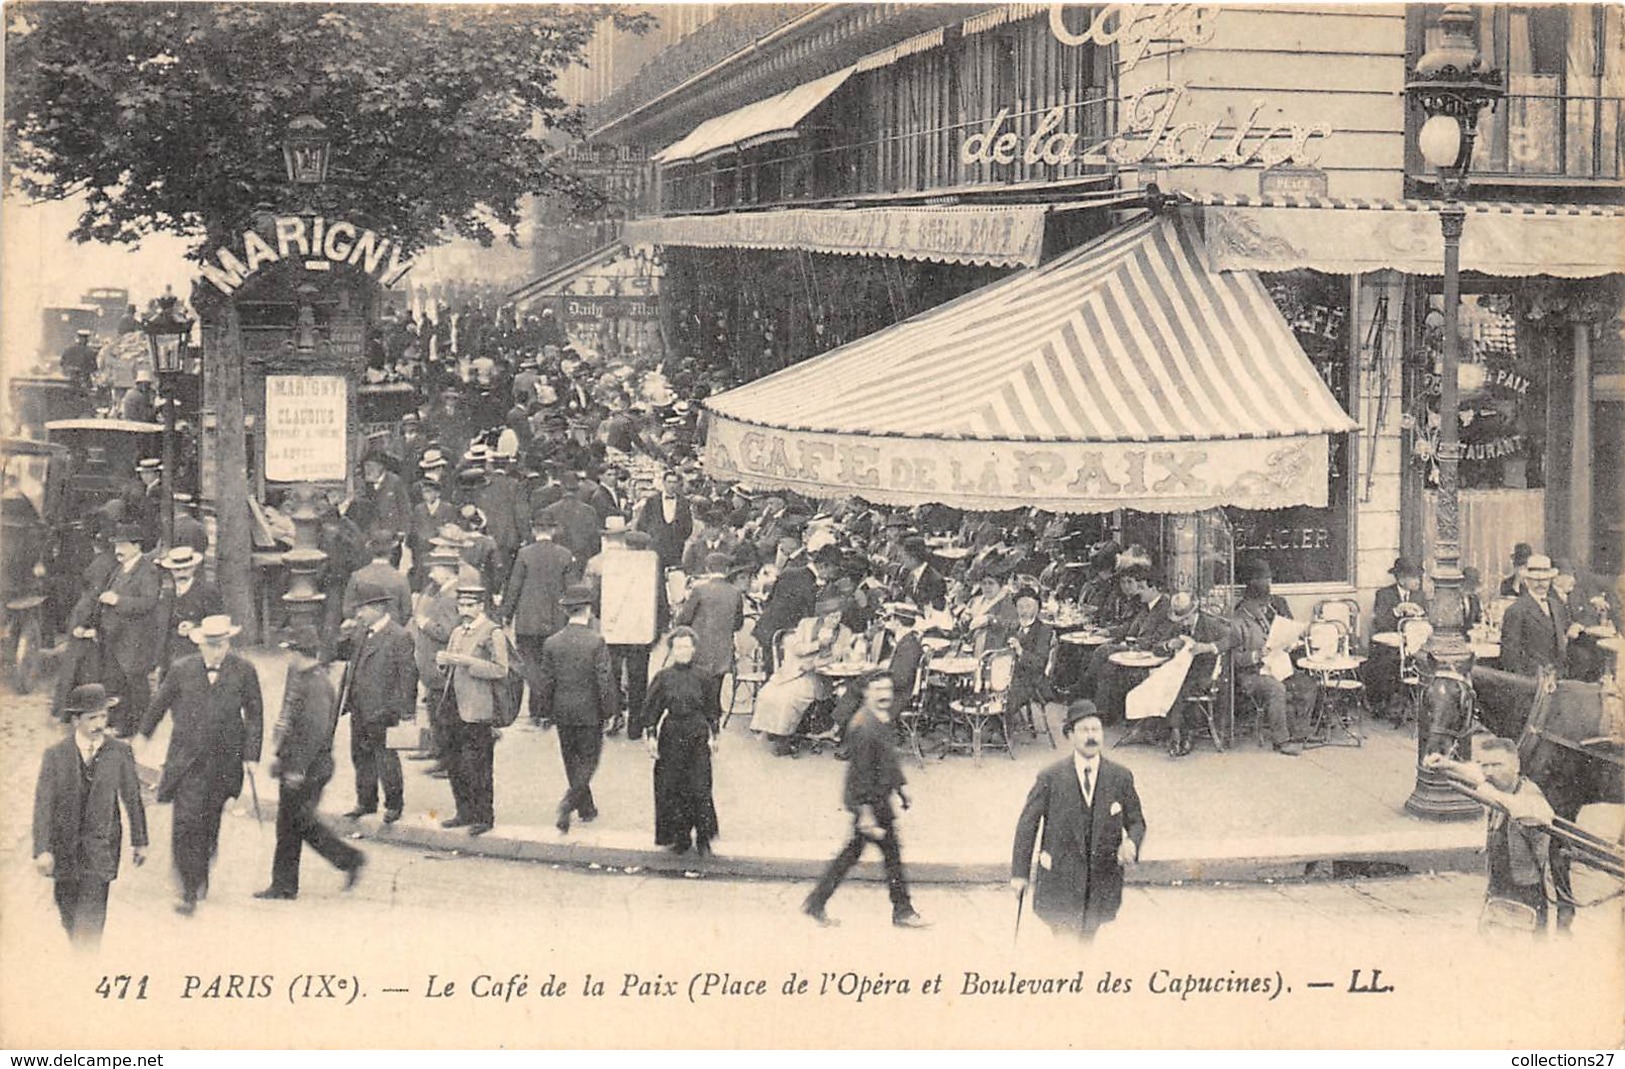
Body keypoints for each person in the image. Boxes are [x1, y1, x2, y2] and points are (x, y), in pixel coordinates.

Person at [141, 615, 263, 915]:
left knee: (208, 824)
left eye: (221, 645)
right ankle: (187, 891)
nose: (216, 652)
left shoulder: (244, 671)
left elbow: (255, 715)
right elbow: (159, 705)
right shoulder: (182, 670)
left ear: (228, 643)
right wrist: (143, 735)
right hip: (187, 761)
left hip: (224, 763)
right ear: (200, 644)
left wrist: (251, 755)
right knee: (185, 824)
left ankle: (200, 874)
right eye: (210, 646)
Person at [1010, 702, 1146, 940]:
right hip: (1060, 881)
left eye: (1096, 730)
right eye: (1084, 730)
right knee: (1064, 942)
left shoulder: (1120, 777)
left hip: (1100, 881)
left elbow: (1136, 821)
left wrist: (1132, 843)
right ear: (1070, 735)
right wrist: (1019, 874)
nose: (1091, 736)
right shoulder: (1051, 777)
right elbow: (1027, 826)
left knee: (1086, 940)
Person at [801, 673, 928, 929]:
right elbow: (860, 774)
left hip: (878, 798)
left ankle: (816, 902)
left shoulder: (880, 719)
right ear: (866, 693)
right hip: (869, 802)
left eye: (888, 689)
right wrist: (866, 814)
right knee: (888, 855)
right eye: (878, 689)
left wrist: (901, 789)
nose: (885, 695)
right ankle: (902, 910)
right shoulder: (863, 726)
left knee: (855, 854)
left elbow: (888, 760)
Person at [33, 684, 148, 947]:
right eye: (92, 718)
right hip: (64, 851)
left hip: (100, 850)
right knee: (69, 916)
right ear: (76, 720)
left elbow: (132, 798)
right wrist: (42, 849)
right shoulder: (55, 756)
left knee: (92, 923)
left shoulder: (119, 752)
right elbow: (43, 805)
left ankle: (85, 969)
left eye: (103, 717)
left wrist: (140, 841)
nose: (99, 724)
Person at [256, 626, 365, 900]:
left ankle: (347, 860)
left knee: (296, 824)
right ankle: (285, 885)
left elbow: (314, 734)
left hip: (308, 768)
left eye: (290, 651)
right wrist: (281, 758)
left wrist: (297, 769)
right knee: (293, 824)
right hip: (299, 765)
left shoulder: (315, 684)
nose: (288, 657)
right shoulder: (305, 677)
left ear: (297, 652)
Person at [1424, 739, 1554, 931]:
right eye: (1485, 766)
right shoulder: (1496, 785)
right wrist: (1447, 764)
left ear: (1516, 766)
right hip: (1496, 889)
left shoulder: (1531, 796)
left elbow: (1526, 811)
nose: (1490, 772)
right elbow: (1475, 773)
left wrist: (1486, 788)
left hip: (1525, 894)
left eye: (1497, 765)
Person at [535, 583, 617, 833]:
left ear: (566, 611)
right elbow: (604, 679)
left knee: (571, 760)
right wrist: (610, 711)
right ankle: (569, 802)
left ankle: (586, 808)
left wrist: (544, 711)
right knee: (589, 760)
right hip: (590, 710)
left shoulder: (552, 643)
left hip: (563, 710)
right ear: (589, 610)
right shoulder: (596, 641)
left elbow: (546, 680)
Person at [71, 524, 162, 737]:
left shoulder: (147, 570)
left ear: (137, 546)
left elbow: (148, 603)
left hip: (134, 640)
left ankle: (141, 728)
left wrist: (118, 600)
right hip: (114, 638)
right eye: (116, 545)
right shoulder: (120, 568)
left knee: (135, 685)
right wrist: (88, 626)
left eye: (122, 545)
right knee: (116, 684)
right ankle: (122, 725)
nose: (117, 550)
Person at [338, 583, 417, 823]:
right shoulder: (362, 631)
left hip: (383, 709)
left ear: (379, 608)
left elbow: (408, 675)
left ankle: (394, 804)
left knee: (385, 758)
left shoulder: (399, 636)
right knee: (360, 756)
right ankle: (366, 802)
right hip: (359, 706)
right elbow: (343, 656)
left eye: (362, 609)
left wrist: (406, 712)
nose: (358, 614)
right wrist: (343, 636)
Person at [434, 580, 508, 836]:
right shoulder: (457, 632)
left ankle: (484, 816)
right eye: (461, 604)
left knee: (479, 764)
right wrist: (442, 663)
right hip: (454, 704)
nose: (464, 610)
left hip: (478, 707)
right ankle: (463, 812)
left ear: (481, 606)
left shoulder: (492, 632)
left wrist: (466, 661)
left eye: (469, 605)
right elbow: (449, 666)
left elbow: (500, 669)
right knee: (455, 763)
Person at [643, 627, 722, 856]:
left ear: (694, 649)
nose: (683, 651)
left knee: (700, 786)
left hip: (697, 733)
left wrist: (715, 735)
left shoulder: (704, 676)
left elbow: (712, 708)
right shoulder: (663, 677)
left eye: (687, 646)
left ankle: (704, 837)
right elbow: (652, 710)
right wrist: (651, 736)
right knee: (672, 787)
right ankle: (680, 837)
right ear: (672, 650)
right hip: (672, 734)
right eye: (678, 647)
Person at [502, 513, 579, 727]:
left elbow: (514, 587)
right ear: (553, 530)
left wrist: (506, 614)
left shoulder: (524, 554)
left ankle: (536, 711)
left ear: (534, 530)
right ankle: (549, 711)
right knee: (553, 666)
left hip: (528, 621)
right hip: (556, 621)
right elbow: (572, 589)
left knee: (531, 665)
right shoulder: (565, 555)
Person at [1230, 564, 1304, 755]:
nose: (1265, 610)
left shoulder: (1262, 617)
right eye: (1261, 605)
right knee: (1276, 689)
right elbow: (1234, 658)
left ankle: (1300, 732)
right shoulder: (1238, 622)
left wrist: (1286, 644)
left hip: (1274, 667)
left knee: (1306, 684)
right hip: (1251, 675)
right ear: (1249, 602)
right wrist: (1256, 655)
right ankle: (1281, 741)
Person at [409, 548, 464, 771]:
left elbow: (447, 631)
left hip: (440, 665)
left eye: (436, 569)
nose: (432, 574)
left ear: (447, 571)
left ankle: (447, 762)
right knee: (436, 708)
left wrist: (424, 623)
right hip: (433, 665)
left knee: (444, 713)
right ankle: (438, 751)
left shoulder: (450, 597)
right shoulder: (443, 591)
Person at [1365, 556, 1429, 719]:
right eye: (1413, 577)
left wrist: (1419, 614)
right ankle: (1383, 704)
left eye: (1418, 577)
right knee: (1384, 662)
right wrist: (1396, 611)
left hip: (1414, 646)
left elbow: (1428, 622)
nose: (1417, 581)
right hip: (1389, 646)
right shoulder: (1384, 594)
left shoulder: (1420, 596)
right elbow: (1380, 623)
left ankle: (1414, 702)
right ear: (1401, 578)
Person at [1499, 554, 1575, 678]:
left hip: (1557, 678)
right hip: (1531, 681)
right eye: (1535, 579)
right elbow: (1510, 656)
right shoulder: (1516, 610)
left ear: (1551, 580)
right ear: (1526, 581)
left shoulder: (1557, 606)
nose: (1540, 583)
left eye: (1545, 579)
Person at [674, 551, 745, 681]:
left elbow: (684, 619)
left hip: (700, 649)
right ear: (727, 569)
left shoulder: (699, 590)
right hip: (723, 651)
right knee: (716, 691)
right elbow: (738, 623)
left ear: (707, 568)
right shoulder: (735, 592)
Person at [752, 537, 816, 671]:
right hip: (779, 631)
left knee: (771, 671)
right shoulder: (807, 578)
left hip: (768, 627)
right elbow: (809, 610)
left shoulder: (792, 571)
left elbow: (770, 599)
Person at [156, 547, 223, 674]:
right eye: (177, 570)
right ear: (171, 570)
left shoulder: (207, 591)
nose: (181, 574)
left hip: (196, 652)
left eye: (185, 569)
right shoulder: (166, 593)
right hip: (169, 653)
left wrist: (194, 626)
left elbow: (217, 624)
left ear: (194, 568)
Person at [342, 530, 413, 626]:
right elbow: (406, 613)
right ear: (391, 553)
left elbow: (347, 611)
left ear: (371, 551)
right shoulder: (400, 578)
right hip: (392, 633)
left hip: (363, 631)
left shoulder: (357, 576)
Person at [634, 470, 693, 572]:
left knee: (674, 575)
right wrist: (653, 537)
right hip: (657, 546)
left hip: (675, 547)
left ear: (678, 484)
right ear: (664, 483)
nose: (672, 485)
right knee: (655, 575)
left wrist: (679, 538)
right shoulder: (652, 501)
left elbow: (688, 525)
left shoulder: (684, 502)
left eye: (674, 482)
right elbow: (642, 523)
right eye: (669, 482)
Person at [351, 449, 411, 543]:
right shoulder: (364, 483)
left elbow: (405, 508)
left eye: (370, 466)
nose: (367, 470)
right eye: (365, 466)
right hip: (371, 535)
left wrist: (403, 531)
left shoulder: (395, 481)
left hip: (391, 533)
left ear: (380, 466)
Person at [899, 537, 947, 612]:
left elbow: (937, 610)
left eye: (904, 556)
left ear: (912, 558)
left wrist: (914, 607)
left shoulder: (935, 580)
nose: (902, 560)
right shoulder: (907, 573)